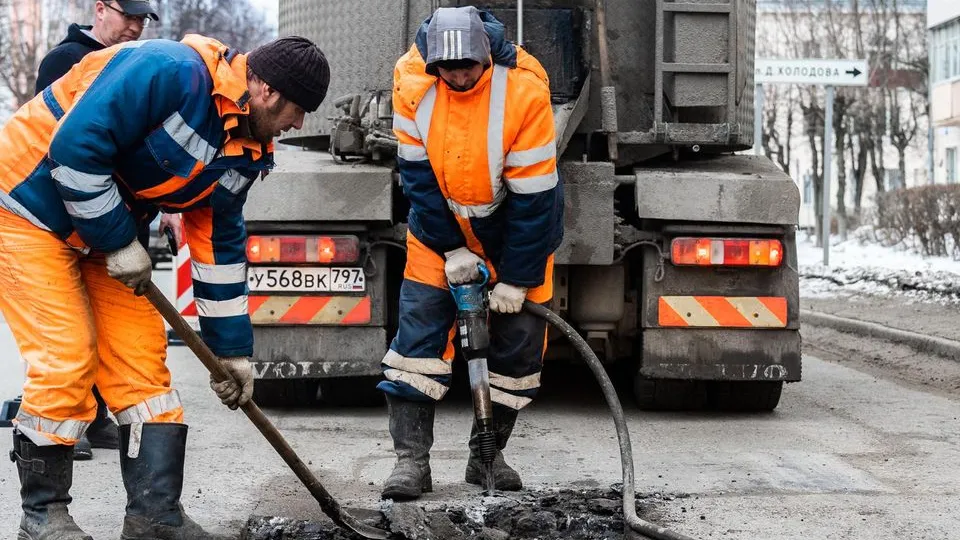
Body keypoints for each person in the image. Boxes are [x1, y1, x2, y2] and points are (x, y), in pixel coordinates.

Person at [0, 33, 329, 539]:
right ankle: (43, 517)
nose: (299, 124)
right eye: (299, 109)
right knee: (67, 355)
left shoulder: (248, 148)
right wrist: (117, 239)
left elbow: (217, 244)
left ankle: (155, 518)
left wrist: (232, 353)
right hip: (26, 209)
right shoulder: (167, 69)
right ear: (265, 89)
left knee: (144, 368)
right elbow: (74, 150)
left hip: (98, 232)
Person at [378, 6, 563, 501]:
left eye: (468, 67)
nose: (458, 77)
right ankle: (411, 464)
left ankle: (487, 456)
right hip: (438, 233)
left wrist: (518, 278)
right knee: (416, 343)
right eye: (448, 68)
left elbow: (536, 196)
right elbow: (416, 176)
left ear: (486, 56)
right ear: (433, 62)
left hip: (514, 232)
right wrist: (452, 246)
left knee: (519, 348)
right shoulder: (412, 79)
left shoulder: (524, 85)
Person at [31, 0, 182, 463]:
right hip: (67, 221)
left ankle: (95, 417)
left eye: (143, 20)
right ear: (100, 9)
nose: (135, 26)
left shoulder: (139, 67)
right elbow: (61, 147)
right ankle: (67, 426)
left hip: (116, 220)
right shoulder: (63, 61)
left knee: (118, 329)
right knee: (68, 330)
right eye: (128, 16)